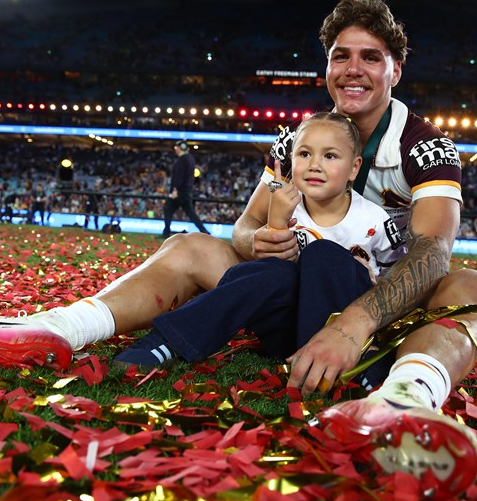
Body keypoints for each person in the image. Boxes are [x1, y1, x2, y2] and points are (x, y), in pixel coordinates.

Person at [0, 0, 477, 501]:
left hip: (381, 305)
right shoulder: (298, 138)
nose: (353, 68)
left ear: (395, 70)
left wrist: (356, 323)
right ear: (325, 66)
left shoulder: (426, 146)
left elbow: (432, 251)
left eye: (371, 57)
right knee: (189, 243)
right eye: (339, 55)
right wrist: (259, 239)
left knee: (474, 287)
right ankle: (55, 330)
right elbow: (240, 230)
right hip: (290, 290)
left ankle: (399, 402)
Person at [114, 113, 403, 393]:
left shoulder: (375, 219)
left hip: (345, 329)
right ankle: (170, 340)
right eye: (304, 154)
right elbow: (273, 264)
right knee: (268, 272)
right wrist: (276, 220)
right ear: (290, 161)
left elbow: (396, 280)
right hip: (291, 330)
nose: (315, 165)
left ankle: (365, 361)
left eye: (329, 156)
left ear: (354, 168)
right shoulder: (286, 205)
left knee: (324, 254)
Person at [162, 140, 209, 236]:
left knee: (168, 209)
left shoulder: (182, 160)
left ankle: (166, 232)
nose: (175, 149)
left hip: (180, 191)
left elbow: (179, 176)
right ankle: (204, 231)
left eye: (177, 147)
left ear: (180, 148)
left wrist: (175, 190)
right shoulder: (190, 159)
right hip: (187, 191)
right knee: (191, 213)